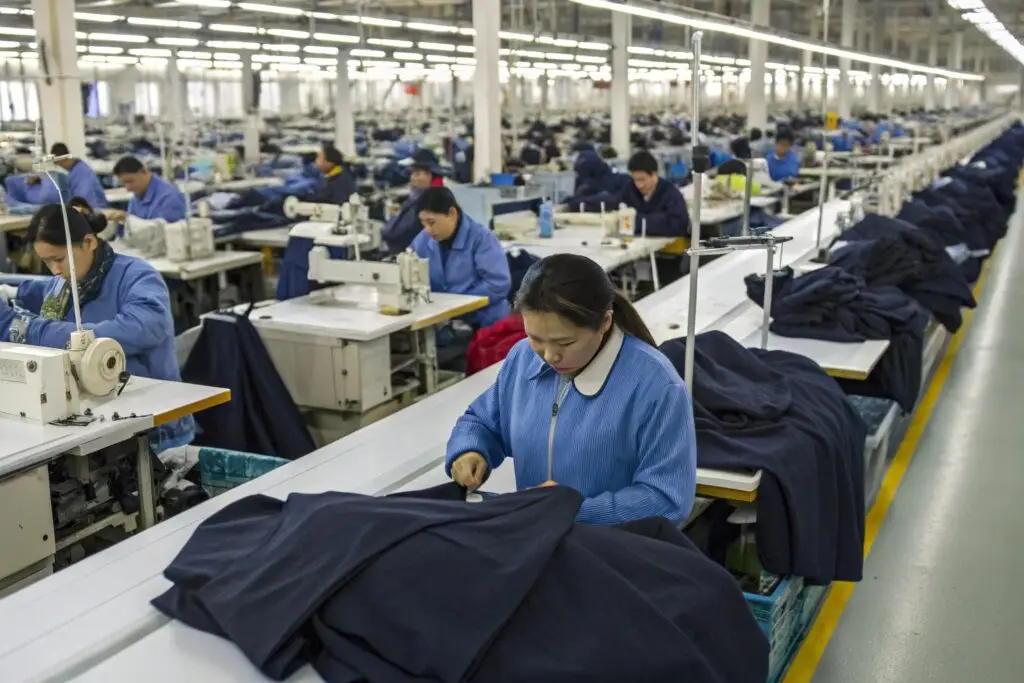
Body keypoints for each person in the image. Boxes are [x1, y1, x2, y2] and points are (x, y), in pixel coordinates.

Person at [446, 254, 696, 525]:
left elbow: (667, 499)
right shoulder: (522, 360)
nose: (550, 356)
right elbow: (482, 421)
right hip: (537, 540)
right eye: (536, 339)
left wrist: (571, 511)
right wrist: (470, 450)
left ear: (605, 322)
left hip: (612, 552)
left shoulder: (655, 386)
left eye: (564, 343)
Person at [0, 203, 194, 450]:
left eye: (59, 259)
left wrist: (33, 329)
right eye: (47, 263)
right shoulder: (63, 284)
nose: (55, 270)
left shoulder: (138, 276)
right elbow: (42, 297)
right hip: (98, 421)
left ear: (90, 242)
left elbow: (143, 329)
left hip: (155, 429)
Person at [410, 187, 511, 329]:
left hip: (482, 324)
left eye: (431, 222)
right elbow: (409, 266)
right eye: (423, 223)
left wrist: (458, 303)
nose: (427, 229)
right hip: (444, 322)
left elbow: (498, 284)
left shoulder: (481, 238)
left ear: (452, 213)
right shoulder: (424, 240)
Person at [381, 149, 443, 255]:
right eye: (412, 173)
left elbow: (396, 234)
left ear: (430, 175)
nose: (412, 178)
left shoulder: (429, 203)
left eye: (417, 173)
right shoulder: (419, 198)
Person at [618, 150, 690, 238]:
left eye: (642, 179)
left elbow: (678, 224)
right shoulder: (629, 190)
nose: (639, 185)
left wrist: (637, 220)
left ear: (654, 175)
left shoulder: (670, 194)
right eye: (635, 179)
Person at [25, 143, 109, 209]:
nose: (59, 166)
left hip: (95, 214)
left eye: (58, 163)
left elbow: (85, 202)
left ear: (63, 159)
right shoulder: (74, 172)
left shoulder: (82, 174)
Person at [112, 155, 188, 222]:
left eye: (130, 181)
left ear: (144, 172)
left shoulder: (170, 198)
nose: (128, 188)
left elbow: (165, 233)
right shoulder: (137, 197)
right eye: (124, 183)